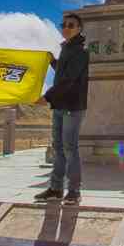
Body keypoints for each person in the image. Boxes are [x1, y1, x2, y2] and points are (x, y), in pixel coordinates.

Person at [34, 13, 89, 206]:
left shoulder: (81, 51)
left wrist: (47, 96)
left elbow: (69, 80)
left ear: (79, 28)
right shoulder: (67, 48)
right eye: (64, 25)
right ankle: (56, 189)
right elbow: (63, 71)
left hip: (72, 107)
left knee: (70, 148)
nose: (66, 28)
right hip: (59, 106)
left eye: (71, 25)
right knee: (58, 148)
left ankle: (74, 191)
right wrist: (52, 62)